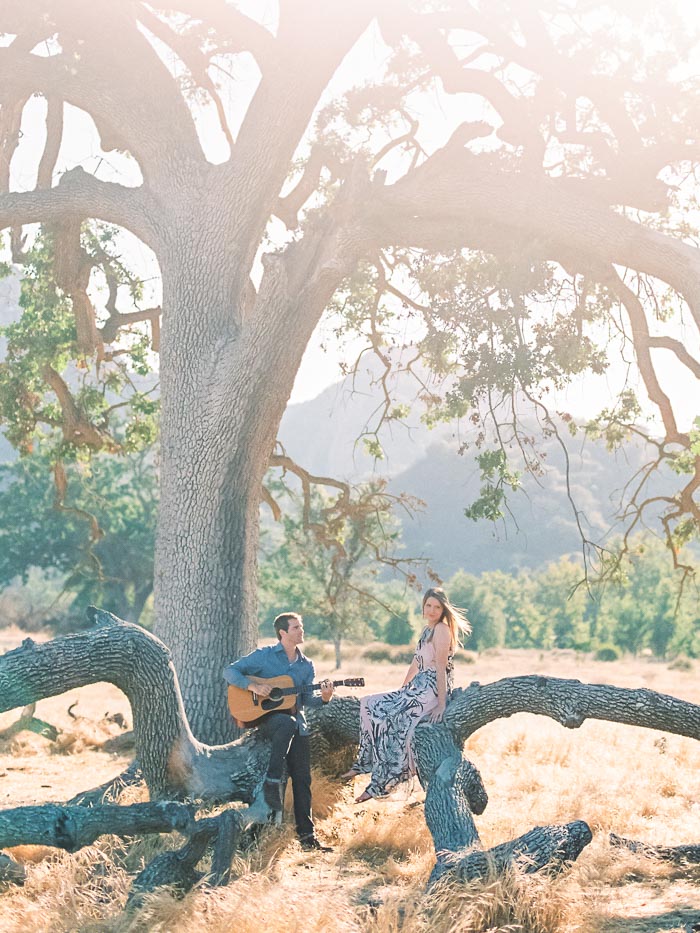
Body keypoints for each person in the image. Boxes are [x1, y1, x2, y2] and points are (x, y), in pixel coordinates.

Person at [342, 588, 470, 802]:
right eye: (428, 605)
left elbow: (440, 668)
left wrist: (441, 704)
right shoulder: (427, 630)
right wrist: (402, 688)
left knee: (397, 720)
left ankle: (381, 782)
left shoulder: (441, 630)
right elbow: (416, 663)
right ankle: (364, 762)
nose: (432, 610)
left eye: (437, 607)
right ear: (423, 606)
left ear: (443, 609)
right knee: (367, 704)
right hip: (418, 686)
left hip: (431, 688)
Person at [223, 611, 335, 851]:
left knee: (303, 779)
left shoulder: (306, 665)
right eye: (296, 627)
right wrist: (253, 685)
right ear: (283, 633)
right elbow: (230, 672)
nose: (301, 631)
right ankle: (272, 780)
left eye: (300, 627)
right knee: (286, 723)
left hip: (296, 723)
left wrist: (324, 698)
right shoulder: (264, 656)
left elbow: (306, 700)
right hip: (268, 720)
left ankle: (307, 838)